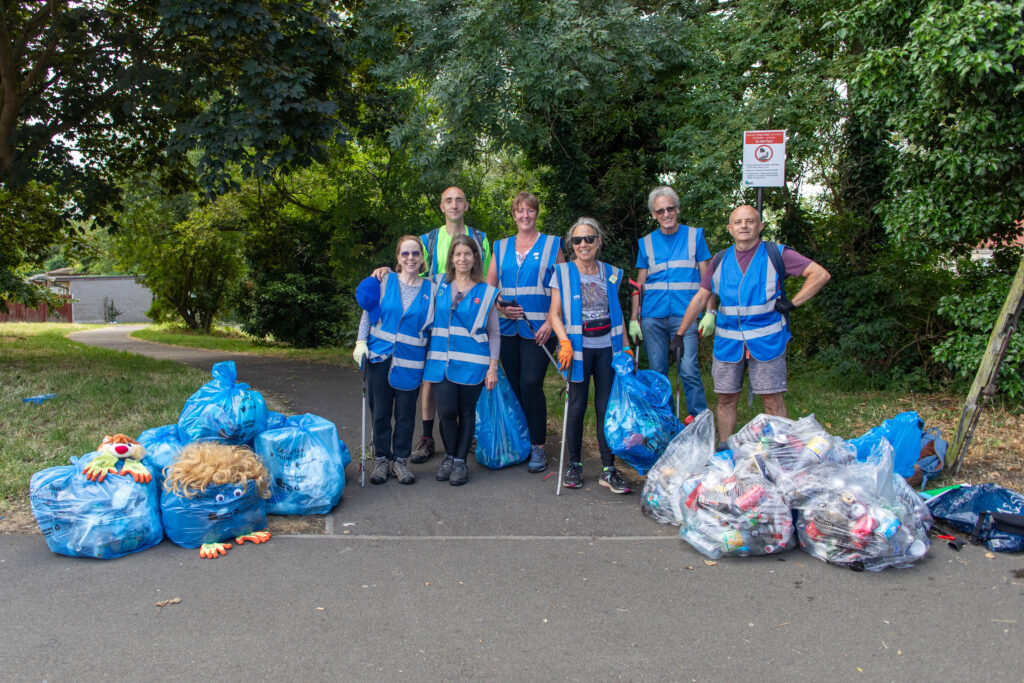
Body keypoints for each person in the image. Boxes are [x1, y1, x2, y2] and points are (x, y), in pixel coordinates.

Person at [671, 205, 831, 446]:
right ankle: (724, 449)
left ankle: (780, 451)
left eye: (749, 221)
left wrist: (793, 303)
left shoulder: (777, 254)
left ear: (760, 226)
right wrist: (680, 334)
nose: (743, 226)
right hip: (728, 344)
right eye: (738, 222)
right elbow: (701, 297)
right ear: (730, 229)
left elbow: (819, 274)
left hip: (767, 341)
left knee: (771, 401)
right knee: (726, 399)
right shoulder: (720, 260)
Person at [548, 217, 633, 494]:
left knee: (606, 409)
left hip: (607, 348)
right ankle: (575, 465)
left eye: (589, 239)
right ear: (571, 245)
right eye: (577, 240)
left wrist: (627, 346)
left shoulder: (611, 272)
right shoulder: (561, 272)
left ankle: (609, 468)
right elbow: (554, 314)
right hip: (578, 351)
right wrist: (563, 341)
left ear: (598, 241)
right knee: (576, 406)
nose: (583, 244)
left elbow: (618, 311)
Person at [411, 186, 492, 464]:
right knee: (432, 379)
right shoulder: (428, 240)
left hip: (469, 319)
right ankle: (426, 437)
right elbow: (410, 273)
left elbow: (488, 281)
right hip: (436, 316)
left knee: (463, 374)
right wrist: (385, 272)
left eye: (459, 200)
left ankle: (460, 438)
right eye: (449, 200)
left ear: (467, 205)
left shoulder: (480, 239)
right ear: (441, 206)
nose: (454, 204)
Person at [486, 191, 564, 473]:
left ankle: (539, 447)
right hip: (507, 328)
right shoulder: (501, 246)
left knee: (532, 384)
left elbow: (563, 287)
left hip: (540, 330)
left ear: (536, 213)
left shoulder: (552, 244)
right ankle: (522, 440)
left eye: (530, 210)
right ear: (513, 214)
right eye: (520, 210)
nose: (525, 215)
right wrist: (502, 308)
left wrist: (549, 323)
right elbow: (490, 288)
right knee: (517, 385)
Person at [353, 236, 437, 485]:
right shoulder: (384, 280)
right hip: (379, 358)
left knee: (405, 415)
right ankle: (381, 459)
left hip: (411, 363)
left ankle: (400, 461)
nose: (410, 258)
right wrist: (361, 342)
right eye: (405, 254)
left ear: (422, 258)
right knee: (380, 413)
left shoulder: (431, 289)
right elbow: (368, 314)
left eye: (415, 253)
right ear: (398, 258)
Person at [630, 185, 714, 419]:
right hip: (652, 316)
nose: (666, 214)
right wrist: (634, 318)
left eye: (670, 208)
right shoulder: (645, 243)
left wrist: (710, 312)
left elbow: (707, 279)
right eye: (660, 211)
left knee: (688, 370)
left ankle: (700, 422)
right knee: (657, 373)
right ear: (653, 215)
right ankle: (663, 423)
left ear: (677, 209)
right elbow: (639, 285)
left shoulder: (694, 236)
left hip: (685, 315)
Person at [423, 234, 500, 486]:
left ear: (475, 257)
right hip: (441, 362)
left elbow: (494, 332)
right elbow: (407, 280)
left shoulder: (486, 292)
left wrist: (492, 368)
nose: (462, 258)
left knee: (466, 413)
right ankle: (449, 454)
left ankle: (459, 462)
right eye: (457, 254)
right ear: (451, 259)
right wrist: (383, 272)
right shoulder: (437, 285)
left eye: (467, 253)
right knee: (446, 412)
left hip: (473, 364)